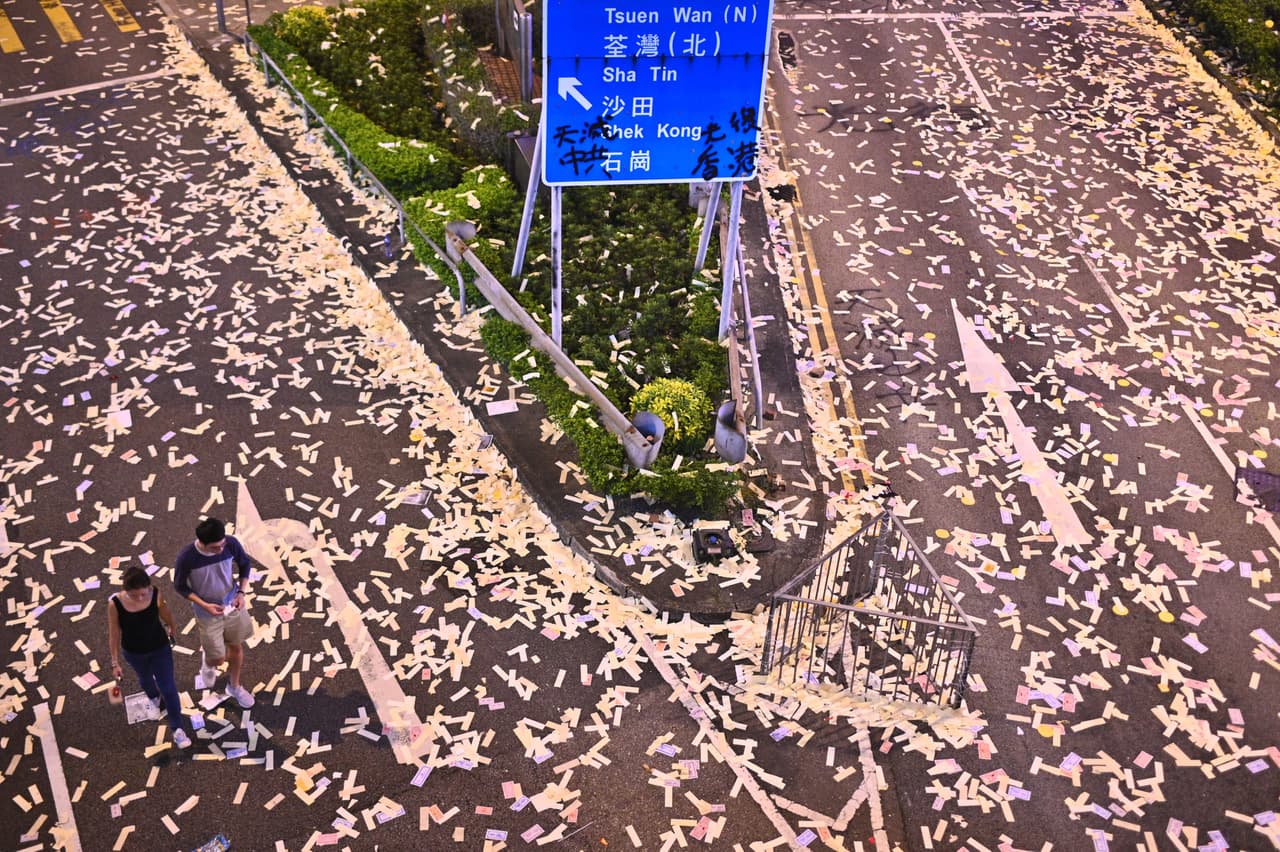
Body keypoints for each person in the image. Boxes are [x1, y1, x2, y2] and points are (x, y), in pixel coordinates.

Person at [174, 517, 256, 708]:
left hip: (232, 605)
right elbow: (180, 587)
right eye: (215, 548)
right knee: (217, 659)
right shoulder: (186, 557)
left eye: (222, 545)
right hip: (207, 613)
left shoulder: (231, 543)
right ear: (202, 543)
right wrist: (204, 605)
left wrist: (241, 593)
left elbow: (245, 564)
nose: (220, 550)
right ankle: (208, 661)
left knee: (236, 648)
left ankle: (234, 686)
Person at [107, 565, 191, 748]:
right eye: (134, 595)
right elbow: (114, 633)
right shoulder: (115, 604)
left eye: (143, 594)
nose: (140, 598)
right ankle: (155, 699)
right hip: (133, 652)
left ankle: (178, 728)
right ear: (125, 590)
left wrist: (171, 625)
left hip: (159, 647)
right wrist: (115, 662)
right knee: (145, 679)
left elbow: (164, 611)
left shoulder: (156, 593)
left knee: (168, 686)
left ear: (149, 588)